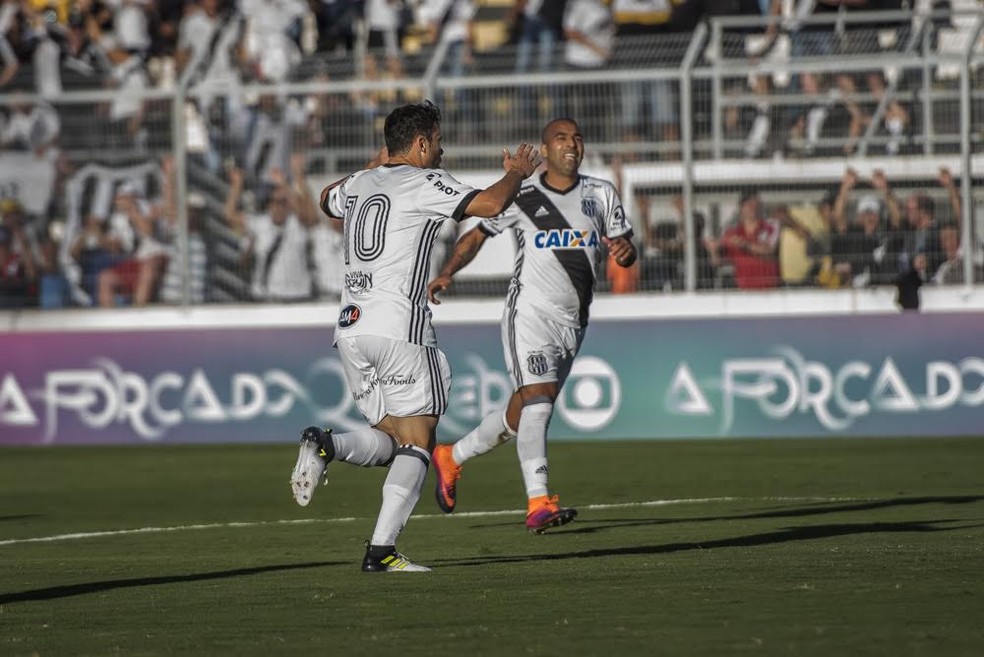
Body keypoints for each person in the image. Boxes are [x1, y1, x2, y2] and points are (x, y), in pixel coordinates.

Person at [289, 100, 540, 572]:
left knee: (391, 437)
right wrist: (516, 173)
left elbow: (326, 198)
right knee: (420, 443)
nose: (442, 151)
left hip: (350, 329)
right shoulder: (424, 181)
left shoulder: (362, 182)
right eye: (438, 142)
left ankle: (327, 444)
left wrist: (375, 163)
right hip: (399, 329)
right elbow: (488, 205)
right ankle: (382, 551)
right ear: (421, 144)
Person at [425, 117, 637, 533]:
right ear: (545, 148)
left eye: (577, 137)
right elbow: (476, 235)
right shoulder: (522, 194)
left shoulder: (601, 194)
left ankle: (451, 456)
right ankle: (538, 502)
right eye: (561, 138)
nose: (571, 144)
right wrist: (448, 271)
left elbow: (625, 252)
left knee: (521, 413)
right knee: (538, 401)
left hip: (572, 323)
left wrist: (626, 252)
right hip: (529, 315)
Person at [719, 188, 780, 289]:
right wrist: (714, 249)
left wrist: (744, 245)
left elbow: (769, 250)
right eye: (749, 205)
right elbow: (719, 261)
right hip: (744, 289)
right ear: (741, 207)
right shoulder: (732, 232)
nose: (753, 208)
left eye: (756, 204)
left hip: (769, 289)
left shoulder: (771, 227)